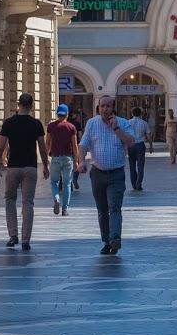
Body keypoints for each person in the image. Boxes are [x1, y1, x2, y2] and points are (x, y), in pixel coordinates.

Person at [81, 94, 137, 254]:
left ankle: (115, 238)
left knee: (115, 207)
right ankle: (106, 241)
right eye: (102, 106)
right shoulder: (92, 123)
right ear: (98, 108)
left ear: (114, 108)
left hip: (116, 174)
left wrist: (116, 128)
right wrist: (81, 161)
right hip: (97, 173)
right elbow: (84, 144)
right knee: (102, 210)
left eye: (108, 106)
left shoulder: (124, 123)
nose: (105, 109)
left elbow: (131, 142)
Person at [0, 92, 48, 251]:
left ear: (18, 104)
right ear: (31, 106)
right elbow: (42, 147)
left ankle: (13, 235)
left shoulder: (9, 123)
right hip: (30, 168)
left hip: (13, 167)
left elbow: (1, 146)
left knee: (10, 199)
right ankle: (26, 240)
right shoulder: (36, 124)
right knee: (28, 202)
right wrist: (45, 166)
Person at [47, 103, 82, 216]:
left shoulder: (51, 126)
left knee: (54, 182)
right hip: (68, 158)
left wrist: (45, 157)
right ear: (67, 114)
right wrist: (76, 160)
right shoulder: (71, 127)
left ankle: (56, 198)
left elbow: (48, 142)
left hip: (55, 157)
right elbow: (75, 144)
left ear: (57, 114)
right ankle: (65, 209)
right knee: (67, 184)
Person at [128, 107, 151, 191]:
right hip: (140, 145)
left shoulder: (128, 122)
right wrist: (150, 146)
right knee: (140, 166)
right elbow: (148, 135)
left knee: (132, 165)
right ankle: (139, 184)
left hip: (131, 145)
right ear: (140, 113)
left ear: (132, 113)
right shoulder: (144, 123)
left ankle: (134, 184)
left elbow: (125, 134)